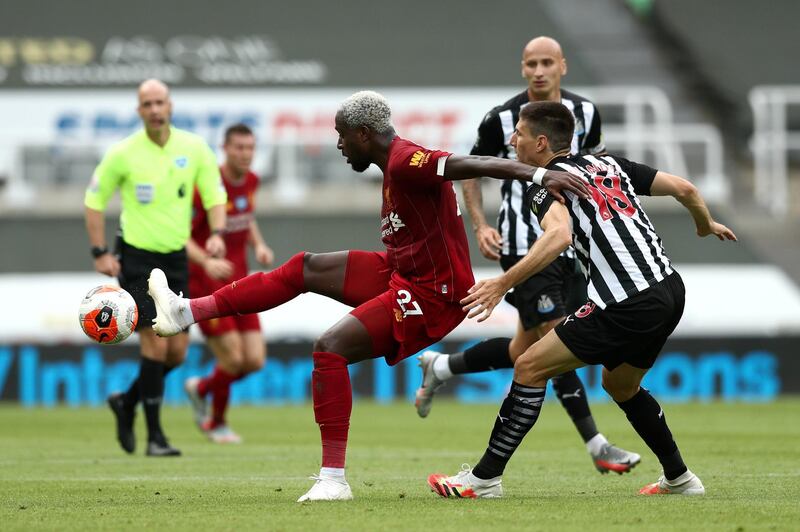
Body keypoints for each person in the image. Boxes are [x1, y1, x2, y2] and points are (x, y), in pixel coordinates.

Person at [145, 91, 589, 501]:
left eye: (341, 136)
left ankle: (333, 480)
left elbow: (471, 164)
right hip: (401, 271)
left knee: (330, 349)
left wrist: (538, 173)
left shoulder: (404, 161)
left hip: (433, 294)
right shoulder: (394, 164)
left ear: (362, 134)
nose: (339, 146)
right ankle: (187, 310)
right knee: (304, 267)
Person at [427, 101, 737, 499]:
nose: (512, 140)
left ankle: (484, 479)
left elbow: (559, 237)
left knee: (528, 366)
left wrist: (502, 283)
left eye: (518, 133)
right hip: (669, 289)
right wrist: (704, 224)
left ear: (540, 143)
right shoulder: (611, 165)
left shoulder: (545, 182)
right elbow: (685, 188)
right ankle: (680, 478)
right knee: (621, 384)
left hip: (625, 300)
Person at [414, 36, 638, 474]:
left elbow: (596, 168)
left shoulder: (586, 113)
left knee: (526, 347)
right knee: (559, 338)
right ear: (522, 69)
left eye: (546, 63)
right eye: (531, 63)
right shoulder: (500, 120)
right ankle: (597, 444)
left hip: (571, 243)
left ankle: (440, 366)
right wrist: (480, 224)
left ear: (562, 66)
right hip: (523, 246)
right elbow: (471, 170)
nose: (539, 70)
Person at [85, 79, 228, 457]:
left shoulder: (194, 147)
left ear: (170, 105)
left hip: (175, 258)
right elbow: (93, 199)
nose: (154, 109)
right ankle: (155, 438)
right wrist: (100, 252)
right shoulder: (123, 153)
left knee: (177, 352)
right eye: (146, 103)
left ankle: (126, 402)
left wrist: (216, 233)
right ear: (138, 110)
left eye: (159, 102)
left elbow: (215, 194)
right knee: (152, 341)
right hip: (136, 256)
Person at [183, 123, 275, 444]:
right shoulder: (205, 187)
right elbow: (180, 235)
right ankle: (217, 423)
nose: (245, 154)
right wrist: (206, 261)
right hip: (205, 285)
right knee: (233, 360)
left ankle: (202, 388)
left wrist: (258, 245)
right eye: (239, 148)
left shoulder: (252, 181)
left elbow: (246, 217)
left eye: (250, 148)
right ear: (224, 148)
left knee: (255, 360)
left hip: (241, 283)